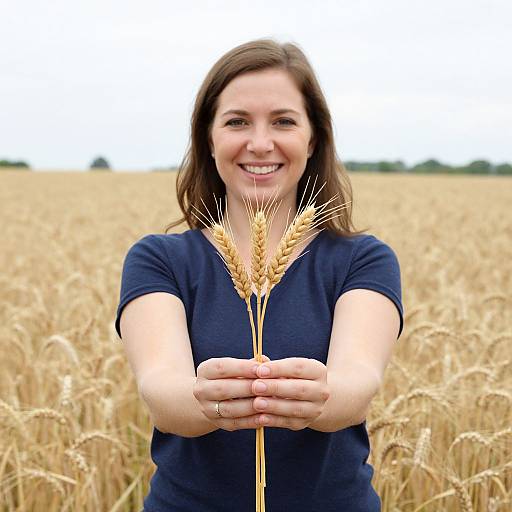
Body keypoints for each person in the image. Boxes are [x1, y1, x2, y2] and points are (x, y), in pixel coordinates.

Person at [115, 38, 403, 512]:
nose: (261, 142)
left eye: (284, 121)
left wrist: (321, 396)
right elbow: (163, 394)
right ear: (209, 139)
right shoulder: (159, 259)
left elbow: (357, 384)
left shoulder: (363, 260)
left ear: (313, 139)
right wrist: (204, 399)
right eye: (237, 122)